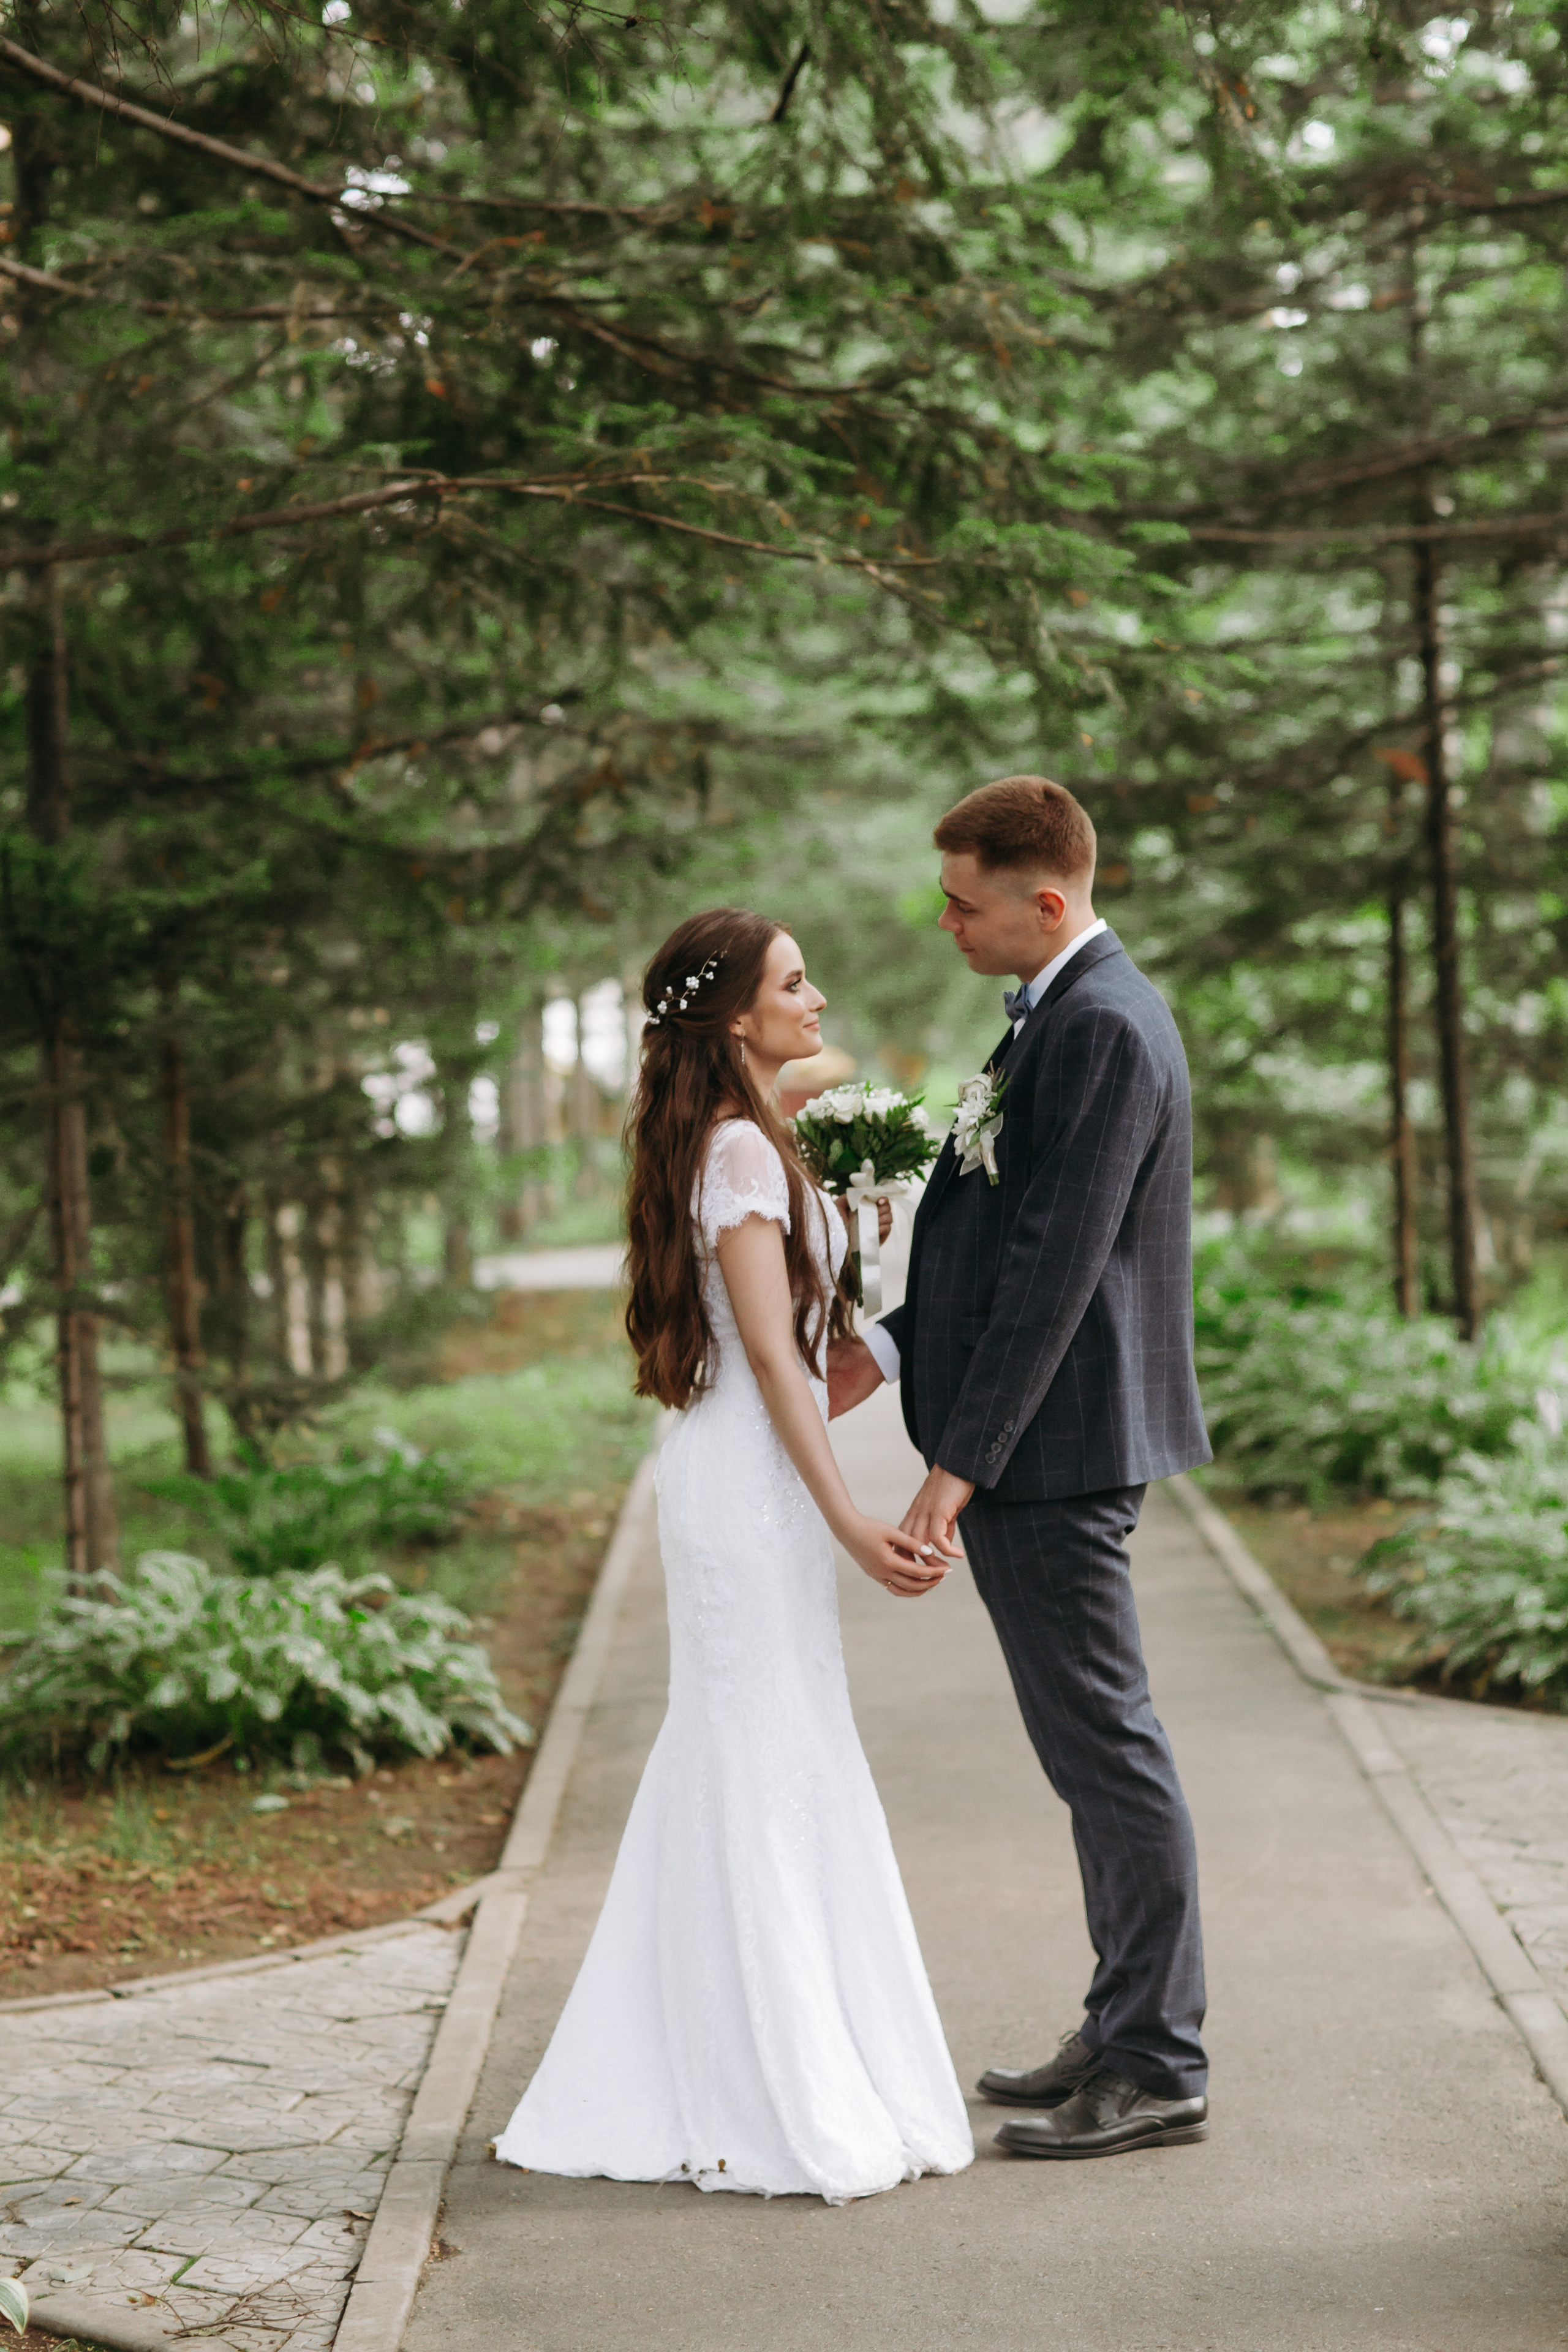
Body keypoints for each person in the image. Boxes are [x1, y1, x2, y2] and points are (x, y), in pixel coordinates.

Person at [493, 907, 974, 2204]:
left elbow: (811, 1364)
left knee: (767, 1743)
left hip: (755, 1463)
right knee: (755, 1748)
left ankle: (737, 2048)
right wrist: (849, 1520)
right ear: (736, 1019)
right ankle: (755, 2081)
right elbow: (770, 1365)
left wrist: (890, 1291)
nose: (815, 1000)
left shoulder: (755, 1147)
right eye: (793, 984)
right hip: (747, 1487)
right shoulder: (737, 1158)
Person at [829, 776, 1213, 2162]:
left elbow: (1057, 1273)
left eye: (963, 900)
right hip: (1038, 1444)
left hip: (1053, 1451)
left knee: (1106, 1752)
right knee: (1087, 1751)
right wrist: (885, 1343)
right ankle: (1121, 2027)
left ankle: (1160, 2061)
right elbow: (998, 1239)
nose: (944, 921)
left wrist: (953, 1470)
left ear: (1043, 901)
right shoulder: (1056, 1013)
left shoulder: (1101, 1025)